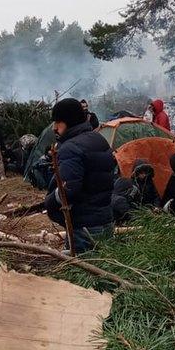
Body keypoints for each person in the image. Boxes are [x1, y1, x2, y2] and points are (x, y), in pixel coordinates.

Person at [44, 98, 116, 252]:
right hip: (105, 221)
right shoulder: (98, 139)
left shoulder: (70, 148)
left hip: (84, 228)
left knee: (86, 271)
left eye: (58, 122)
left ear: (69, 121)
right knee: (107, 267)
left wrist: (49, 201)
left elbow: (67, 190)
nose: (54, 128)